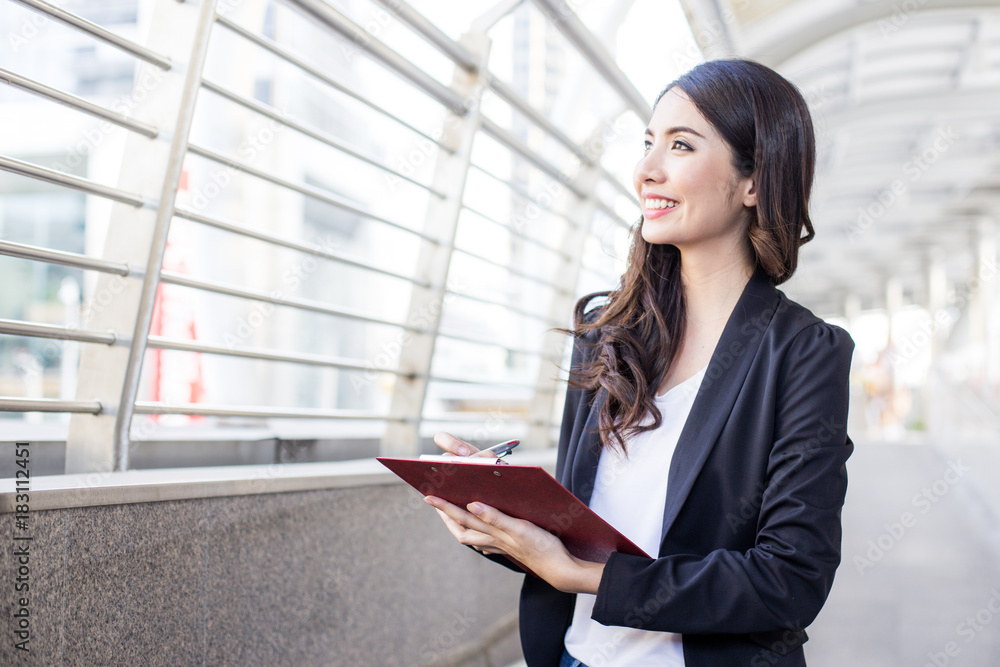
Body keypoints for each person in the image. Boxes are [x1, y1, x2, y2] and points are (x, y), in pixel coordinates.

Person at [424, 58, 855, 667]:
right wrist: (496, 512)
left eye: (680, 146)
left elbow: (788, 581)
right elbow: (588, 525)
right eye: (647, 143)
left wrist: (585, 578)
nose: (646, 171)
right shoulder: (606, 335)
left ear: (754, 182)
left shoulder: (804, 353)